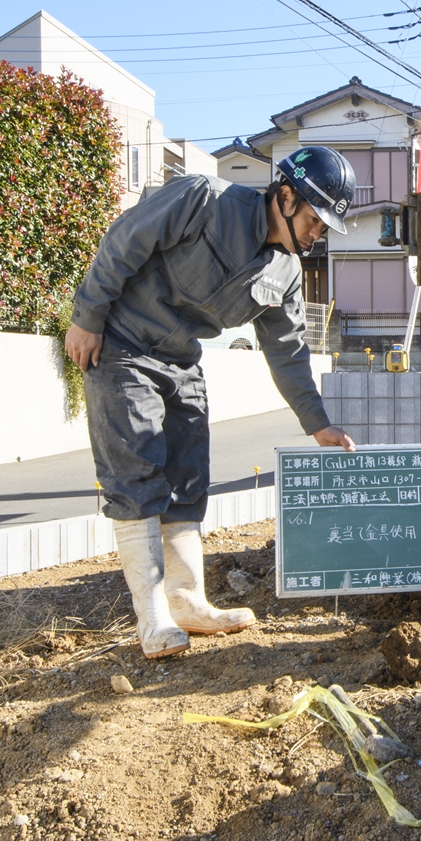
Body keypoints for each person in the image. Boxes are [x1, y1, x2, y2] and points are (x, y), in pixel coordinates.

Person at [65, 146, 358, 659]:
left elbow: (287, 353)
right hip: (123, 345)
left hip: (181, 360)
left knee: (188, 478)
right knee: (135, 475)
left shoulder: (286, 272)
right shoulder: (203, 199)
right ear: (285, 196)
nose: (319, 234)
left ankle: (186, 601)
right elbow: (123, 242)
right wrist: (88, 317)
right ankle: (153, 617)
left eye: (327, 226)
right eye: (316, 219)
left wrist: (318, 424)